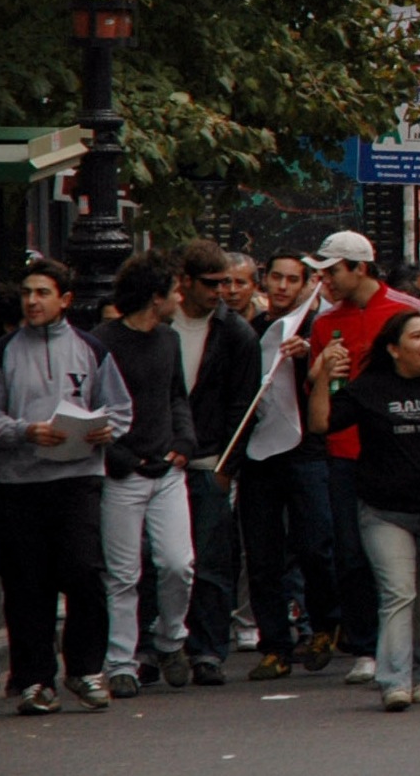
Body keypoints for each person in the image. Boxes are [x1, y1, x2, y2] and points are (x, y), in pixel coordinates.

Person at [307, 307, 420, 710]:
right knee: (398, 593)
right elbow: (321, 424)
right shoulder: (369, 387)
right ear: (393, 348)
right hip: (385, 513)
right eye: (417, 337)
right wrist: (322, 380)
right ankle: (394, 680)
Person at [0, 257, 131, 713]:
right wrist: (25, 431)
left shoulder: (92, 349)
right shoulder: (0, 353)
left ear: (65, 300)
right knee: (26, 583)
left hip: (77, 479)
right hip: (17, 484)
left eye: (43, 293)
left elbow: (120, 409)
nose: (32, 301)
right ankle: (34, 680)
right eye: (28, 293)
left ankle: (86, 670)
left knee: (84, 572)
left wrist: (105, 429)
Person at [308, 230, 420, 688]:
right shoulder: (324, 322)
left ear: (359, 268)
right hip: (345, 453)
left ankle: (408, 650)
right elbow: (315, 391)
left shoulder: (407, 311)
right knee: (350, 552)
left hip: (398, 450)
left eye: (331, 270)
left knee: (406, 558)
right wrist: (320, 369)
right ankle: (364, 645)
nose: (324, 279)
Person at [91, 252, 198, 697]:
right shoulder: (102, 342)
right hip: (124, 474)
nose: (179, 297)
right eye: (173, 291)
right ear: (155, 297)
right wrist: (117, 455)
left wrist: (184, 441)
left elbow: (176, 395)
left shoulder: (169, 340)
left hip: (167, 469)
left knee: (179, 563)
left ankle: (171, 639)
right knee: (123, 573)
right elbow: (92, 408)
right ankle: (121, 661)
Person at [238, 252, 337, 680]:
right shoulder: (252, 331)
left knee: (315, 545)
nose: (281, 286)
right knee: (262, 555)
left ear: (305, 285)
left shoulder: (319, 329)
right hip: (260, 454)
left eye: (291, 280)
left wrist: (310, 354)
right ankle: (275, 644)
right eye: (275, 278)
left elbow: (336, 382)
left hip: (307, 451)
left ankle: (322, 626)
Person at [170, 238, 258, 686]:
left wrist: (227, 466)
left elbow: (245, 404)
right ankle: (160, 645)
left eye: (226, 283)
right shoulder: (162, 324)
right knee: (164, 561)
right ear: (184, 282)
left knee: (211, 562)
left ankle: (208, 650)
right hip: (163, 461)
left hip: (210, 462)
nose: (220, 292)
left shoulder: (235, 332)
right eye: (210, 283)